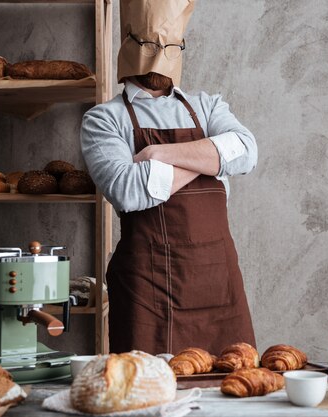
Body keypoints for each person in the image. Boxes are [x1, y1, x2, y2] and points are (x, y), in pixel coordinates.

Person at [80, 0, 257, 355]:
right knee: (149, 395)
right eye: (149, 45)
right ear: (129, 46)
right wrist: (208, 158)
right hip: (148, 291)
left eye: (171, 46)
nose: (161, 55)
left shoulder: (208, 106)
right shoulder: (104, 119)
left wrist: (159, 154)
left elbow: (246, 151)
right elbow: (128, 190)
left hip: (218, 285)